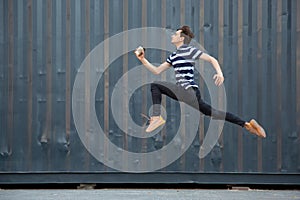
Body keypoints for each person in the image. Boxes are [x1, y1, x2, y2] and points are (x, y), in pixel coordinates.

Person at [135, 25, 266, 138]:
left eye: (175, 34)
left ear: (181, 38)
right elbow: (157, 70)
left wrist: (220, 73)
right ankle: (247, 125)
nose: (172, 37)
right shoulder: (173, 56)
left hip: (187, 91)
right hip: (189, 94)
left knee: (155, 86)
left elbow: (211, 59)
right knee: (212, 112)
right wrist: (142, 59)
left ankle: (156, 117)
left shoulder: (189, 51)